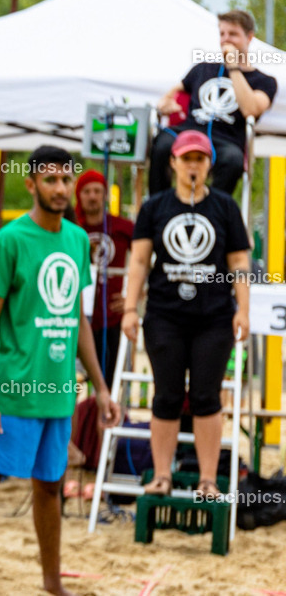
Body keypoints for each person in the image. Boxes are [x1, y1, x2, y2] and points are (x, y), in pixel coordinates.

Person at [0, 146, 119, 596]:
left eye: (66, 180)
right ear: (31, 184)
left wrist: (100, 387)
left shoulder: (78, 240)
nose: (60, 188)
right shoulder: (10, 240)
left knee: (50, 486)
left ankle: (52, 584)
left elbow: (78, 319)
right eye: (50, 180)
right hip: (13, 388)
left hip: (59, 391)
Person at [123, 130, 249, 500]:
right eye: (187, 158)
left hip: (214, 316)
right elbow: (140, 261)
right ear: (173, 163)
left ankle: (207, 479)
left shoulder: (225, 207)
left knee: (207, 396)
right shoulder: (154, 207)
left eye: (200, 158)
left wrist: (243, 308)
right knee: (166, 396)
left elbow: (239, 261)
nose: (193, 165)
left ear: (209, 165)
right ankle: (162, 474)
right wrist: (130, 308)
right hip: (165, 315)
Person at [150, 9, 277, 196]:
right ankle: (159, 208)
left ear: (249, 38)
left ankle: (209, 212)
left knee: (232, 162)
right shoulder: (203, 68)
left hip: (226, 140)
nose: (226, 40)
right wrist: (164, 103)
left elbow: (251, 109)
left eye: (233, 34)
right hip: (190, 131)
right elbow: (174, 91)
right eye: (222, 34)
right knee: (161, 145)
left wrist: (233, 66)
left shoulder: (264, 81)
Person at [74, 169, 135, 388]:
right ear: (79, 195)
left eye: (97, 191)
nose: (92, 196)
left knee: (109, 382)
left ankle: (105, 421)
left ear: (106, 194)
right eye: (87, 191)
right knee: (73, 382)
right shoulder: (69, 226)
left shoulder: (123, 228)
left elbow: (146, 261)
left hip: (112, 316)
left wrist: (133, 299)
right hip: (75, 315)